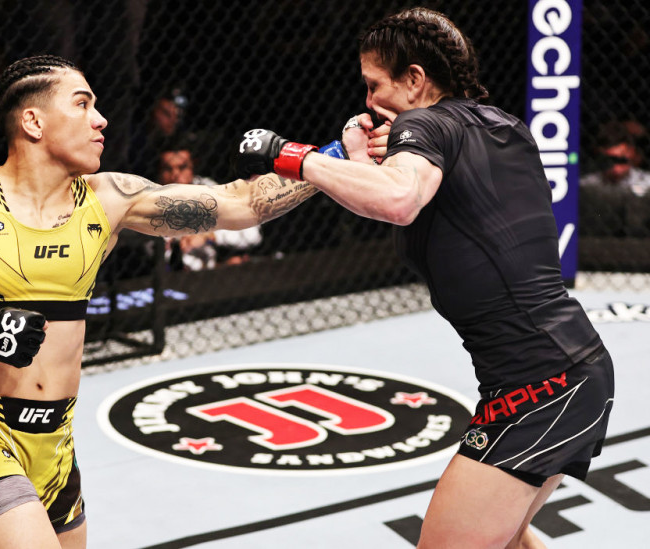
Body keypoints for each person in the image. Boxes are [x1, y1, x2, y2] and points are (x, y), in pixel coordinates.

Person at [0, 54, 318, 549]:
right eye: (82, 104)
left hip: (57, 446)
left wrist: (333, 160)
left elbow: (241, 203)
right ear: (33, 121)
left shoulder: (108, 199)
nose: (100, 119)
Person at [234, 8, 614, 548]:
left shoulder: (426, 124)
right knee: (509, 540)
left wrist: (290, 156)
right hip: (574, 368)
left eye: (375, 85)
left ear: (415, 79)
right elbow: (426, 199)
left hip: (538, 386)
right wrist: (363, 161)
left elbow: (398, 199)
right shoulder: (502, 124)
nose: (368, 101)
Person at [155, 135, 263, 270]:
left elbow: (252, 233)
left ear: (193, 167)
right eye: (168, 169)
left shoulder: (207, 189)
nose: (175, 175)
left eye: (182, 167)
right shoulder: (150, 198)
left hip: (208, 272)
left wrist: (210, 236)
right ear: (159, 172)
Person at [581, 121, 650, 196]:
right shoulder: (585, 186)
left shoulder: (647, 184)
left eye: (622, 160)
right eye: (609, 160)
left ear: (632, 153)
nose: (616, 168)